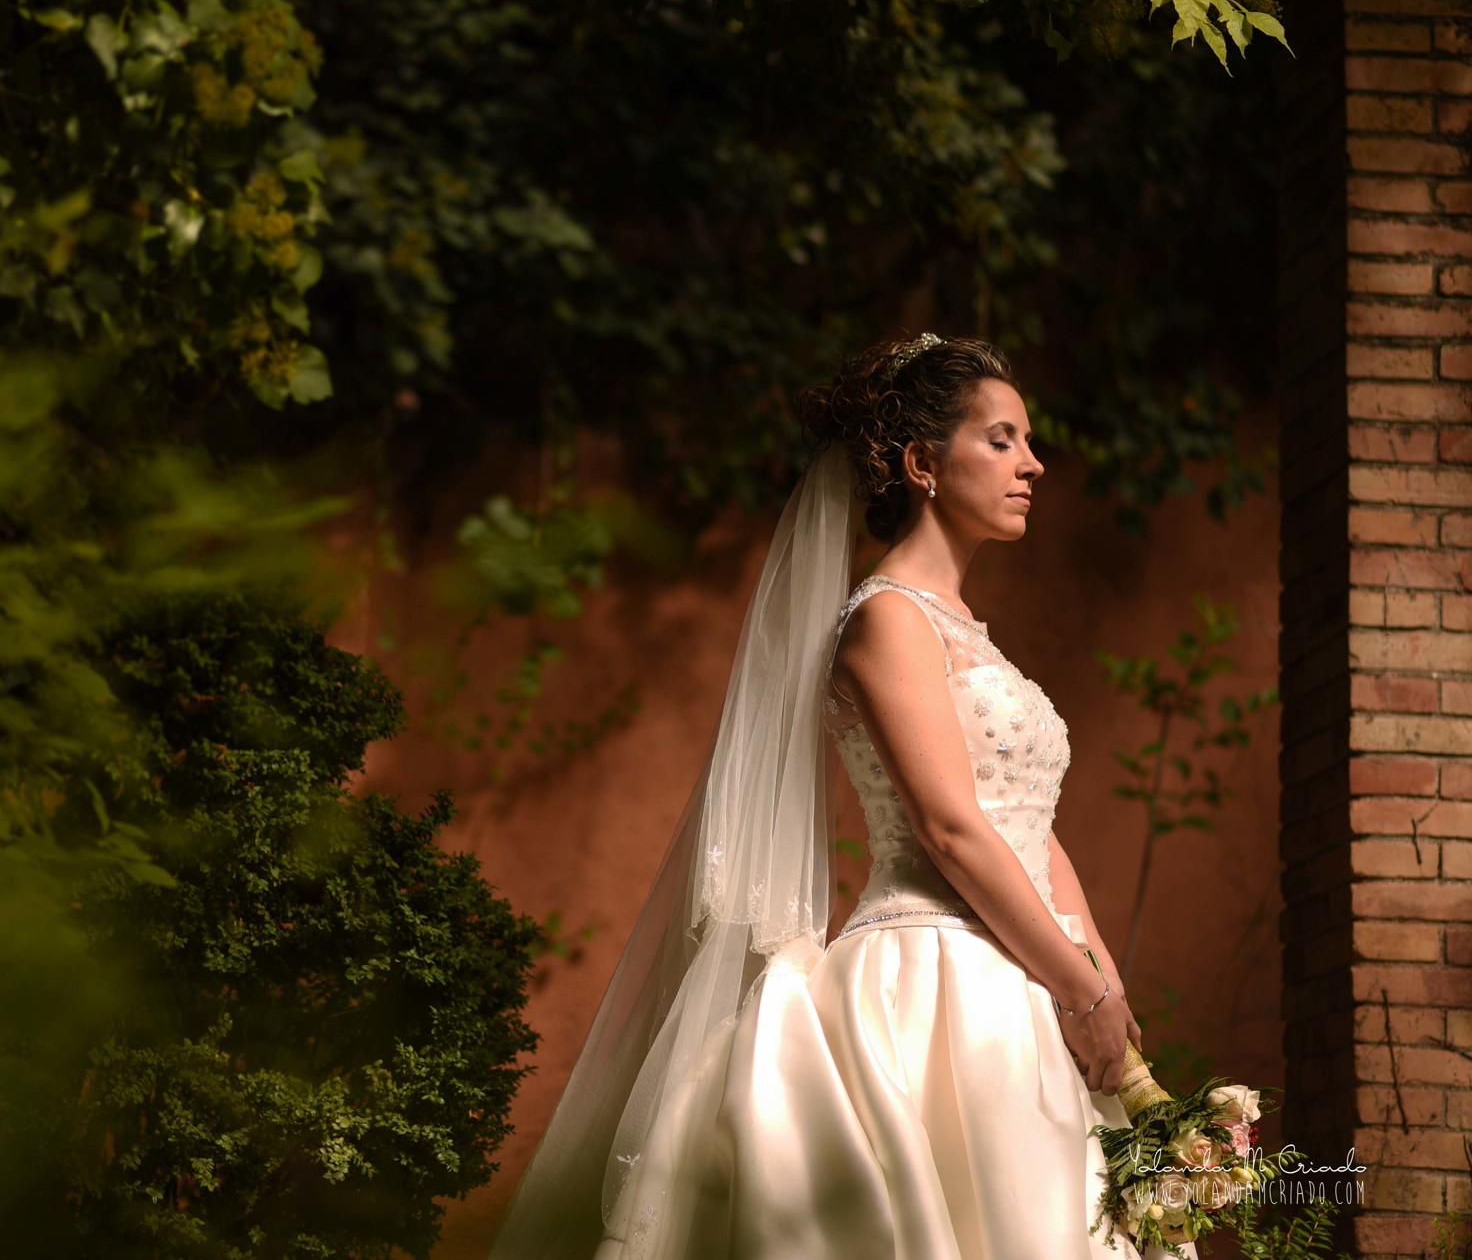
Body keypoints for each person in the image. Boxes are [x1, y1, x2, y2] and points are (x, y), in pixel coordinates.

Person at [487, 333, 1190, 1259]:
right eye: (1004, 439)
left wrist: (1102, 984)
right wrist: (1075, 981)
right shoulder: (888, 621)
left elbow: (1033, 831)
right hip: (939, 985)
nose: (1034, 463)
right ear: (922, 464)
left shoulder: (971, 635)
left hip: (1026, 975)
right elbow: (950, 827)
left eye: (1028, 442)